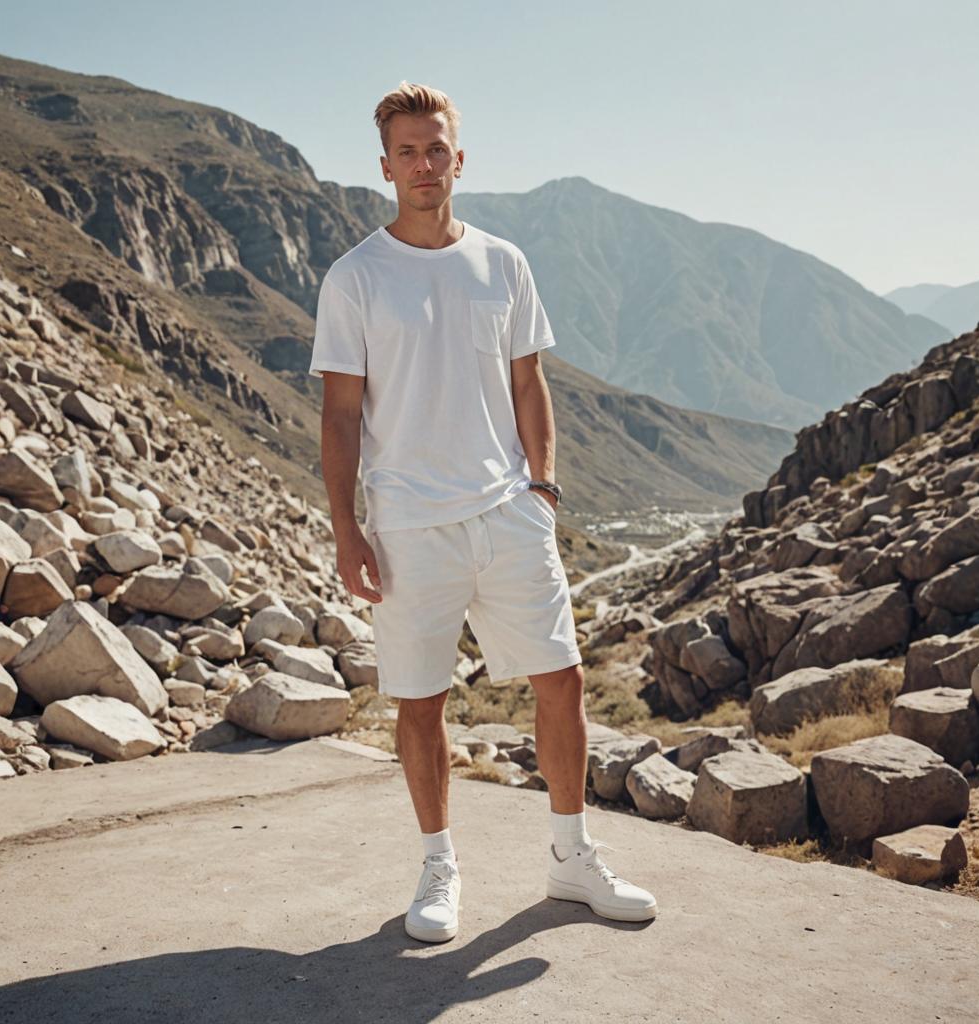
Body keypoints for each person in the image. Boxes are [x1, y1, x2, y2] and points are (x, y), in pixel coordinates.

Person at [308, 80, 657, 942]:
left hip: (508, 511)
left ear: (459, 160)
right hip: (407, 525)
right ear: (384, 166)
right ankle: (438, 866)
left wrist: (542, 484)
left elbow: (528, 380)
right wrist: (347, 529)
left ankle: (571, 859)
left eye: (437, 150)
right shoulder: (355, 277)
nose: (423, 166)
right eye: (407, 153)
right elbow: (341, 415)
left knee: (563, 678)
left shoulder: (503, 262)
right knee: (421, 701)